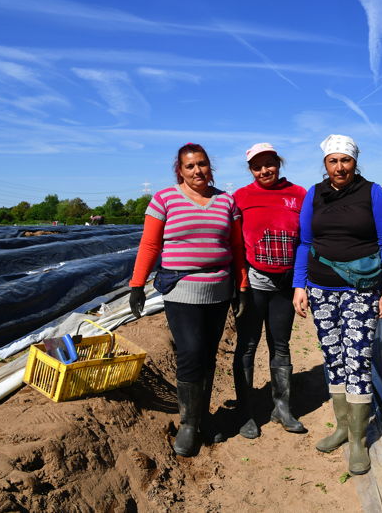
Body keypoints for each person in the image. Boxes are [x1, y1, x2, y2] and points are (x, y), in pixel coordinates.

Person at [128, 143, 248, 457]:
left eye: (202, 164)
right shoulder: (164, 199)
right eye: (190, 166)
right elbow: (150, 245)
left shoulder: (226, 201)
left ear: (211, 167)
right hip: (181, 288)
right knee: (191, 352)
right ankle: (188, 424)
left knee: (207, 355)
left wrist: (242, 287)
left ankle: (203, 417)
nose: (198, 171)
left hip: (219, 289)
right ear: (180, 170)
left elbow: (236, 247)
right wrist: (137, 284)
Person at [292, 134, 382, 476]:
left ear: (355, 161)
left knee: (358, 357)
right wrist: (299, 285)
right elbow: (305, 242)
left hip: (361, 290)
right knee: (333, 356)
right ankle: (341, 427)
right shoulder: (314, 194)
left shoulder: (372, 193)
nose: (339, 167)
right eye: (333, 161)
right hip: (321, 287)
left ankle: (358, 439)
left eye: (346, 160)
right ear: (325, 164)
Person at [232, 143, 307, 439]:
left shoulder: (298, 195)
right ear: (251, 169)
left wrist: (301, 282)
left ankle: (282, 407)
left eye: (269, 163)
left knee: (281, 344)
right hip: (252, 283)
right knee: (247, 345)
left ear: (279, 163)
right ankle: (246, 411)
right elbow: (235, 242)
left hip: (285, 284)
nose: (264, 170)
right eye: (257, 166)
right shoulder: (240, 197)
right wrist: (239, 283)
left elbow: (305, 243)